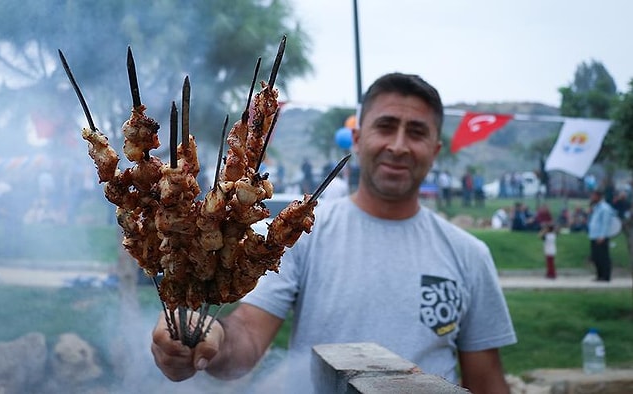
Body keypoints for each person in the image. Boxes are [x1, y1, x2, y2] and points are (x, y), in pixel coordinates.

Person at [151, 73, 516, 393]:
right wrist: (211, 339)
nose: (399, 145)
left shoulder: (469, 254)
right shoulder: (300, 235)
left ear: (435, 151)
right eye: (385, 126)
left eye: (417, 132)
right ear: (356, 139)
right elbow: (245, 336)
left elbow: (486, 380)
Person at [587, 189, 616, 282]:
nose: (592, 198)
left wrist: (602, 236)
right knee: (596, 257)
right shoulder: (596, 207)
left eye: (593, 196)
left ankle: (605, 275)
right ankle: (599, 275)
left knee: (603, 257)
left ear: (599, 196)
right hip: (594, 235)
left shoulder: (605, 208)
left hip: (601, 236)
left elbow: (605, 223)